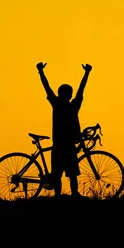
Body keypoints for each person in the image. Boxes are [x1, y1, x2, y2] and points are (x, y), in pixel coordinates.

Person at [36, 61, 92, 197]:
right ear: (70, 95)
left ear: (59, 94)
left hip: (58, 146)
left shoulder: (56, 104)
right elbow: (81, 89)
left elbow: (47, 87)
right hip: (69, 146)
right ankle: (74, 194)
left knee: (57, 174)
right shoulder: (74, 106)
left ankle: (58, 195)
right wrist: (87, 73)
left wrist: (41, 71)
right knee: (72, 174)